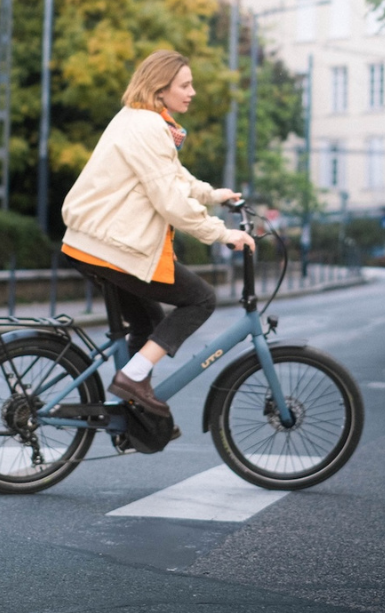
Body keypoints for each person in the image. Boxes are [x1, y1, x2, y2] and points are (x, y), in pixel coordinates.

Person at [60, 50, 255, 418]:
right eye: (185, 85)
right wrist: (222, 234)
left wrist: (215, 195)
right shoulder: (149, 127)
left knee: (149, 322)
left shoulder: (139, 120)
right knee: (200, 299)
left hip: (92, 243)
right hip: (109, 247)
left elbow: (174, 177)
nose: (192, 91)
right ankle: (132, 380)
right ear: (159, 88)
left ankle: (130, 408)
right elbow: (170, 201)